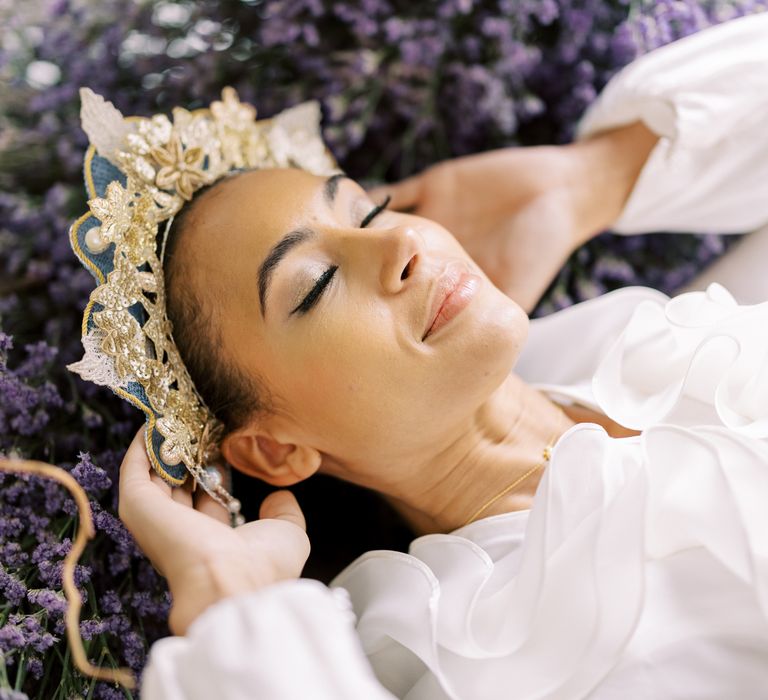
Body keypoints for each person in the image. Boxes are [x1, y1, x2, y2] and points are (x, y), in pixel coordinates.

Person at [101, 12, 768, 699]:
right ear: (276, 451)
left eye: (368, 211)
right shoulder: (469, 653)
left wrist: (587, 180)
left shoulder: (670, 351)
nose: (400, 247)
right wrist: (232, 600)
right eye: (317, 285)